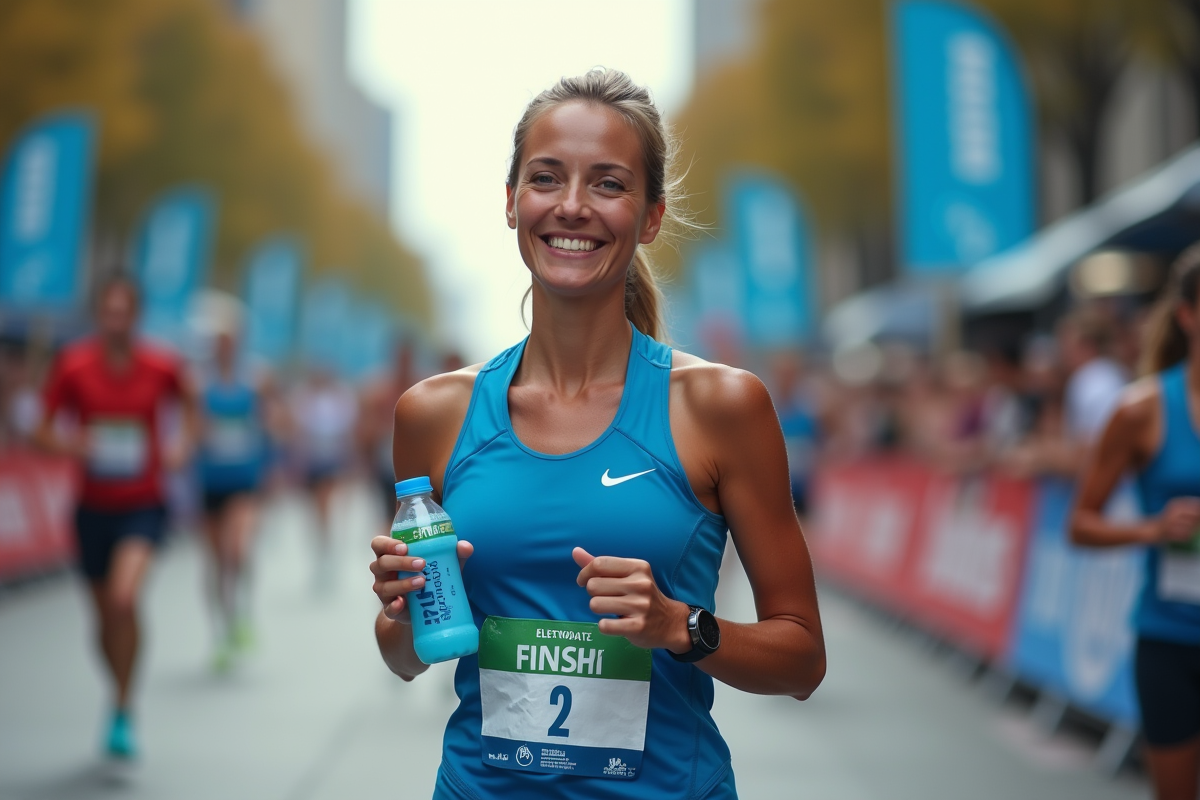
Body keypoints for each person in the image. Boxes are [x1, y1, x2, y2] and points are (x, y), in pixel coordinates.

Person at [369, 69, 825, 799]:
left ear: (649, 217)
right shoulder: (432, 413)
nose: (573, 206)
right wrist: (400, 608)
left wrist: (683, 626)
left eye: (608, 184)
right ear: (513, 202)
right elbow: (404, 657)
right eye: (547, 178)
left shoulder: (720, 406)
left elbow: (802, 659)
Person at [33, 273, 199, 760]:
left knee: (125, 599)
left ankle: (124, 706)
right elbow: (38, 429)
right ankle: (119, 692)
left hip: (143, 504)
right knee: (104, 617)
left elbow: (191, 408)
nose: (116, 321)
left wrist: (181, 444)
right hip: (91, 509)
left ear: (137, 315)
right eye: (108, 312)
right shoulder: (73, 365)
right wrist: (71, 443)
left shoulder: (162, 365)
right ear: (97, 315)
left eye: (124, 312)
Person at [1070, 244, 1200, 800]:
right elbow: (1080, 524)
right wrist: (1152, 529)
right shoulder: (1140, 410)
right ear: (1187, 316)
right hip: (1170, 641)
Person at [196, 321, 274, 671]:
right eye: (219, 343)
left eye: (230, 342)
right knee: (216, 562)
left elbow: (269, 425)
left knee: (237, 549)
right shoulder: (198, 383)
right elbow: (190, 427)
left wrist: (272, 465)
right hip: (210, 482)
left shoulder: (254, 380)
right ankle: (221, 630)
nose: (224, 348)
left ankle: (242, 611)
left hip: (245, 481)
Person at [290, 364, 357, 589]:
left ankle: (326, 551)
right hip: (313, 462)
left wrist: (349, 463)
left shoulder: (338, 399)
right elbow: (298, 434)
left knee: (325, 506)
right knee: (316, 511)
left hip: (330, 462)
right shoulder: (305, 399)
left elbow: (346, 434)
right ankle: (322, 548)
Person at [358, 337, 420, 523]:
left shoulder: (422, 385)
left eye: (407, 358)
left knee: (409, 509)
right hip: (386, 461)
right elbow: (366, 430)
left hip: (414, 461)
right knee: (390, 512)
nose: (404, 362)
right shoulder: (379, 390)